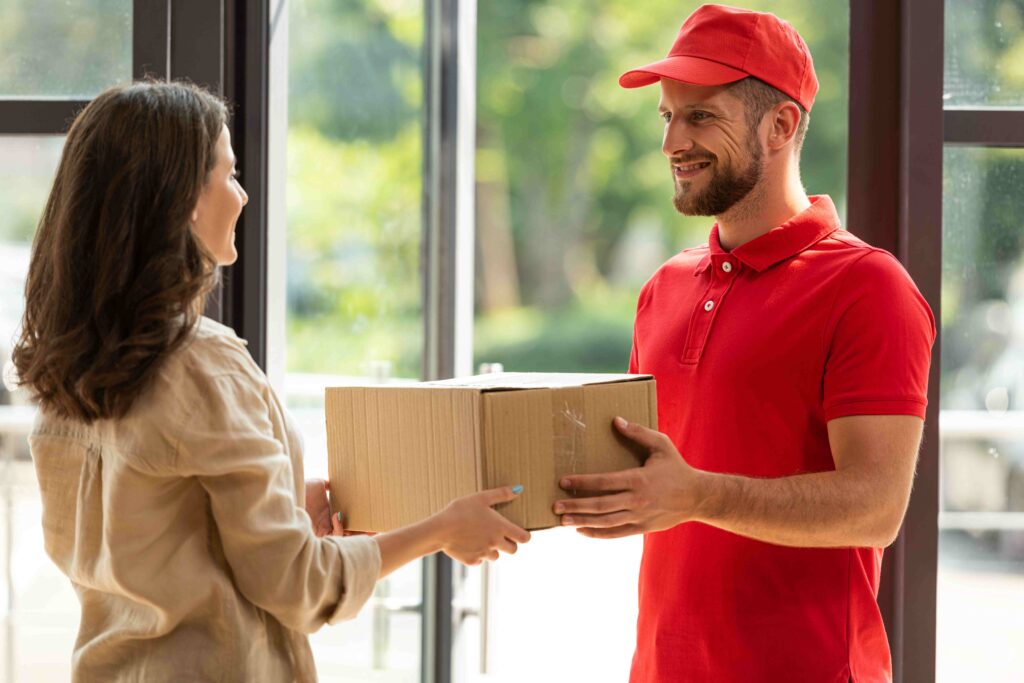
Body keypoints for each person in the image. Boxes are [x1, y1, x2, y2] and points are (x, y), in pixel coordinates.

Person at [13, 81, 530, 682]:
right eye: (228, 175)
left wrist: (283, 496)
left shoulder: (67, 364)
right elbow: (300, 586)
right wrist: (442, 528)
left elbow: (150, 529)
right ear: (183, 200)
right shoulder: (201, 364)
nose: (243, 194)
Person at [551, 5, 934, 682]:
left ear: (781, 125)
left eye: (701, 116)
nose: (673, 141)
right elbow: (649, 481)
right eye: (667, 116)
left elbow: (877, 507)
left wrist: (699, 495)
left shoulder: (868, 287)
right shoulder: (662, 289)